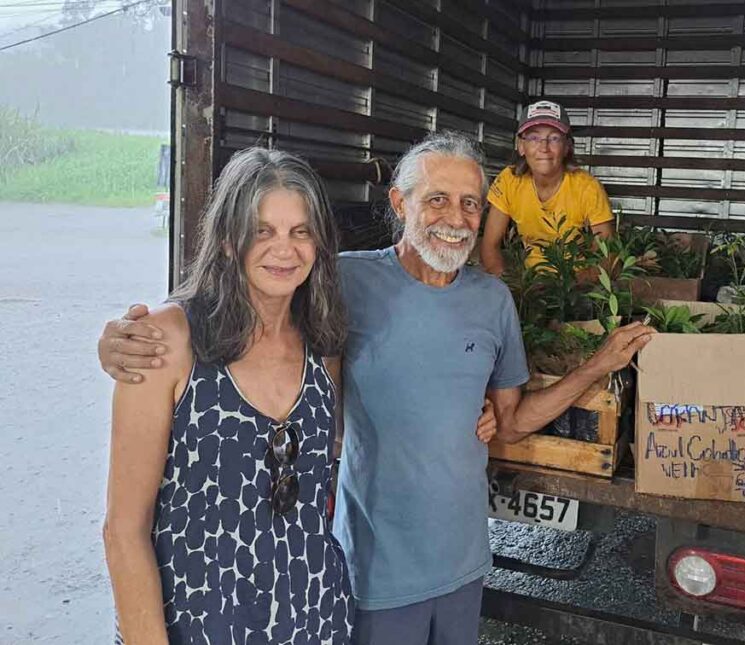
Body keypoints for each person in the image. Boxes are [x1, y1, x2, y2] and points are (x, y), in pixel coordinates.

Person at [98, 131, 654, 645]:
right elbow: (229, 306)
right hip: (365, 571)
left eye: (469, 204)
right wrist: (121, 341)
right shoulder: (346, 282)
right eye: (437, 199)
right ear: (399, 204)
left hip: (420, 571)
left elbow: (506, 419)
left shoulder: (488, 302)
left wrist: (595, 366)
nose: (455, 218)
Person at [102, 147, 356, 644]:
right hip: (199, 626)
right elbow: (123, 531)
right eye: (261, 231)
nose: (284, 249)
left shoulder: (323, 345)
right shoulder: (167, 341)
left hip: (316, 619)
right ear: (225, 240)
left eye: (300, 231)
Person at [481, 100, 616, 276]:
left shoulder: (587, 187)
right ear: (521, 146)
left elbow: (607, 256)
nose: (544, 148)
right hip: (530, 280)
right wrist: (507, 289)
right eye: (533, 138)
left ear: (567, 146)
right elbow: (489, 245)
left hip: (575, 283)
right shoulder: (509, 180)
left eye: (554, 138)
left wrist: (570, 291)